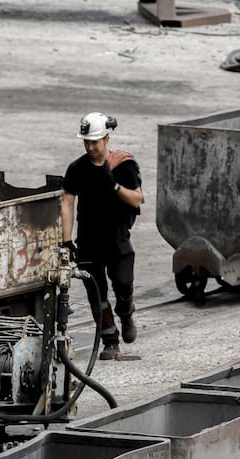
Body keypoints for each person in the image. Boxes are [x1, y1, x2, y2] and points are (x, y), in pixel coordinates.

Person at [60, 112, 143, 360]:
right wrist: (66, 241)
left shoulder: (123, 165)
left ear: (106, 139)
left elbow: (137, 198)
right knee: (96, 293)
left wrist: (115, 186)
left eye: (94, 142)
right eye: (86, 142)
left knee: (123, 284)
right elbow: (67, 203)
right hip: (88, 239)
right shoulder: (77, 169)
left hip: (116, 237)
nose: (90, 147)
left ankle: (126, 313)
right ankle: (109, 341)